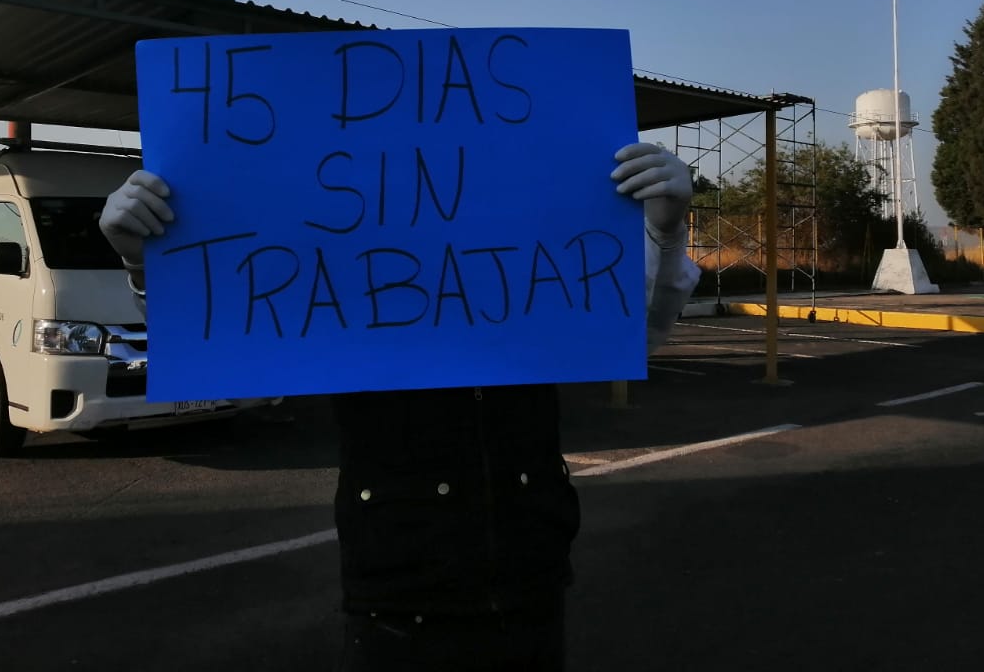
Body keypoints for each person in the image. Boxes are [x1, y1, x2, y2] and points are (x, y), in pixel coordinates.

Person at [99, 142, 700, 671]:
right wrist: (143, 265)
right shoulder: (352, 294)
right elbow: (218, 342)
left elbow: (638, 334)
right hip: (396, 599)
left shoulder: (530, 298)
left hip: (531, 589)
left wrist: (665, 231)